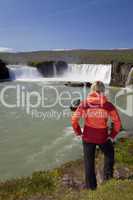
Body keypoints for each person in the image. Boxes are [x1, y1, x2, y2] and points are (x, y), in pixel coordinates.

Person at [71, 81, 121, 190]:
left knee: (89, 162)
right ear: (103, 91)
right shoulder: (108, 105)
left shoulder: (84, 104)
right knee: (109, 154)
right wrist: (112, 135)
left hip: (88, 137)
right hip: (102, 137)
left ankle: (91, 188)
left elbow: (74, 120)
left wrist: (78, 132)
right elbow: (117, 123)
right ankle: (108, 180)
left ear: (92, 90)